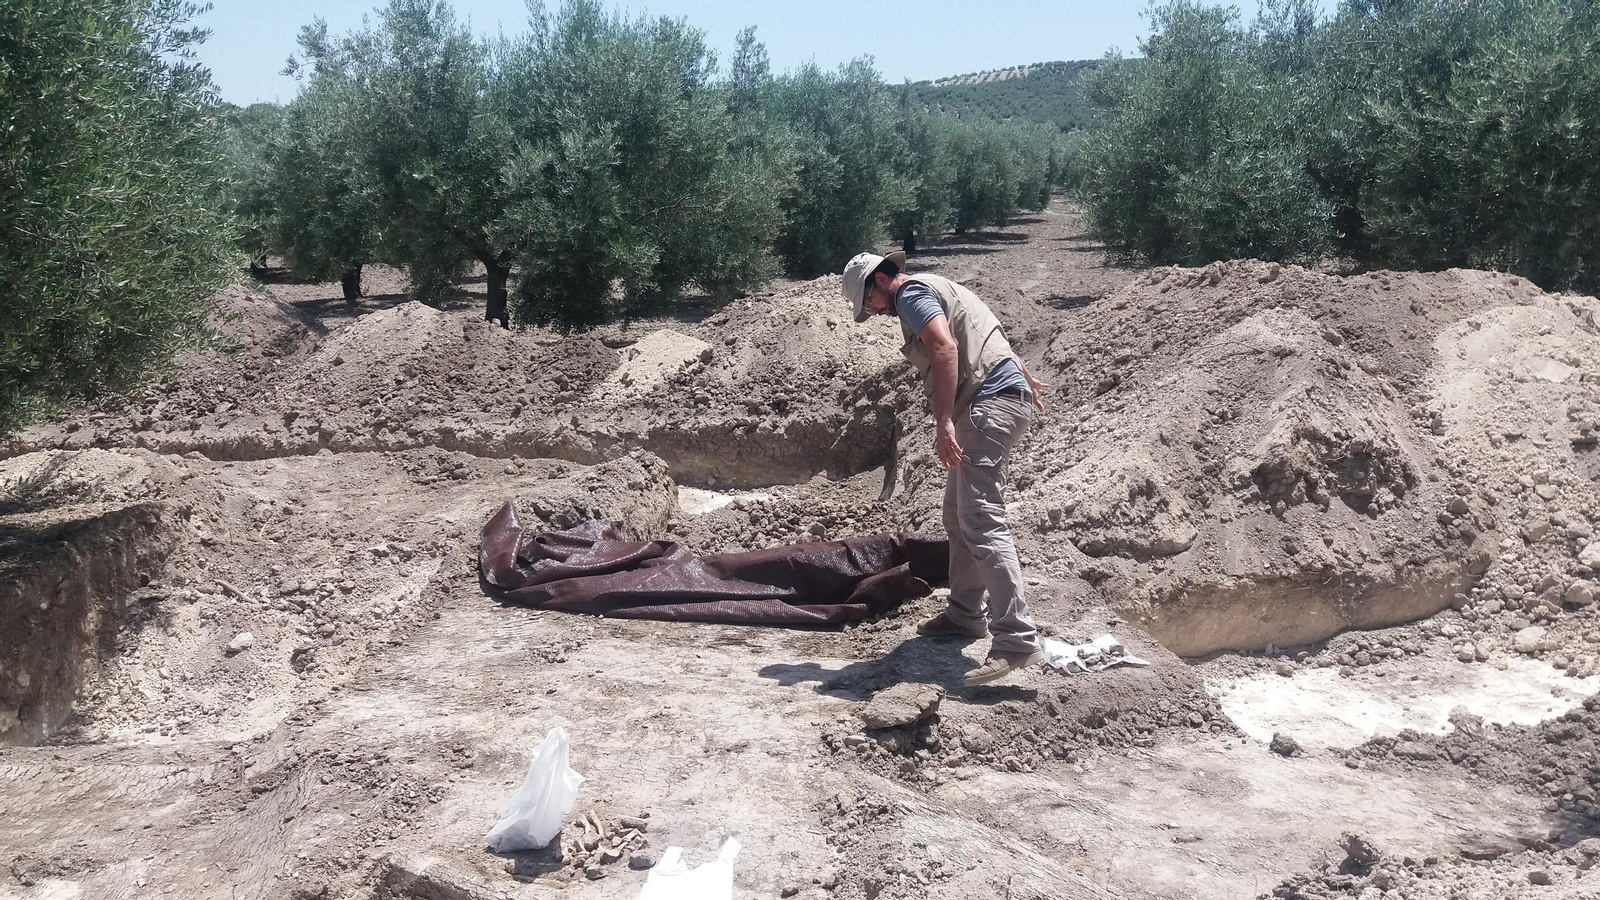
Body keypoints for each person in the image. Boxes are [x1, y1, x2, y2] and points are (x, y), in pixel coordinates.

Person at [840, 250, 1048, 686]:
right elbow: (981, 331)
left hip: (984, 407)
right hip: (997, 397)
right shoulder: (937, 286)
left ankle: (1016, 639)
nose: (872, 312)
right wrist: (1017, 372)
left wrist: (944, 421)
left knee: (981, 520)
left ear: (881, 280)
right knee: (957, 516)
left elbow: (944, 346)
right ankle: (965, 614)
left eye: (868, 302)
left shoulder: (912, 294)